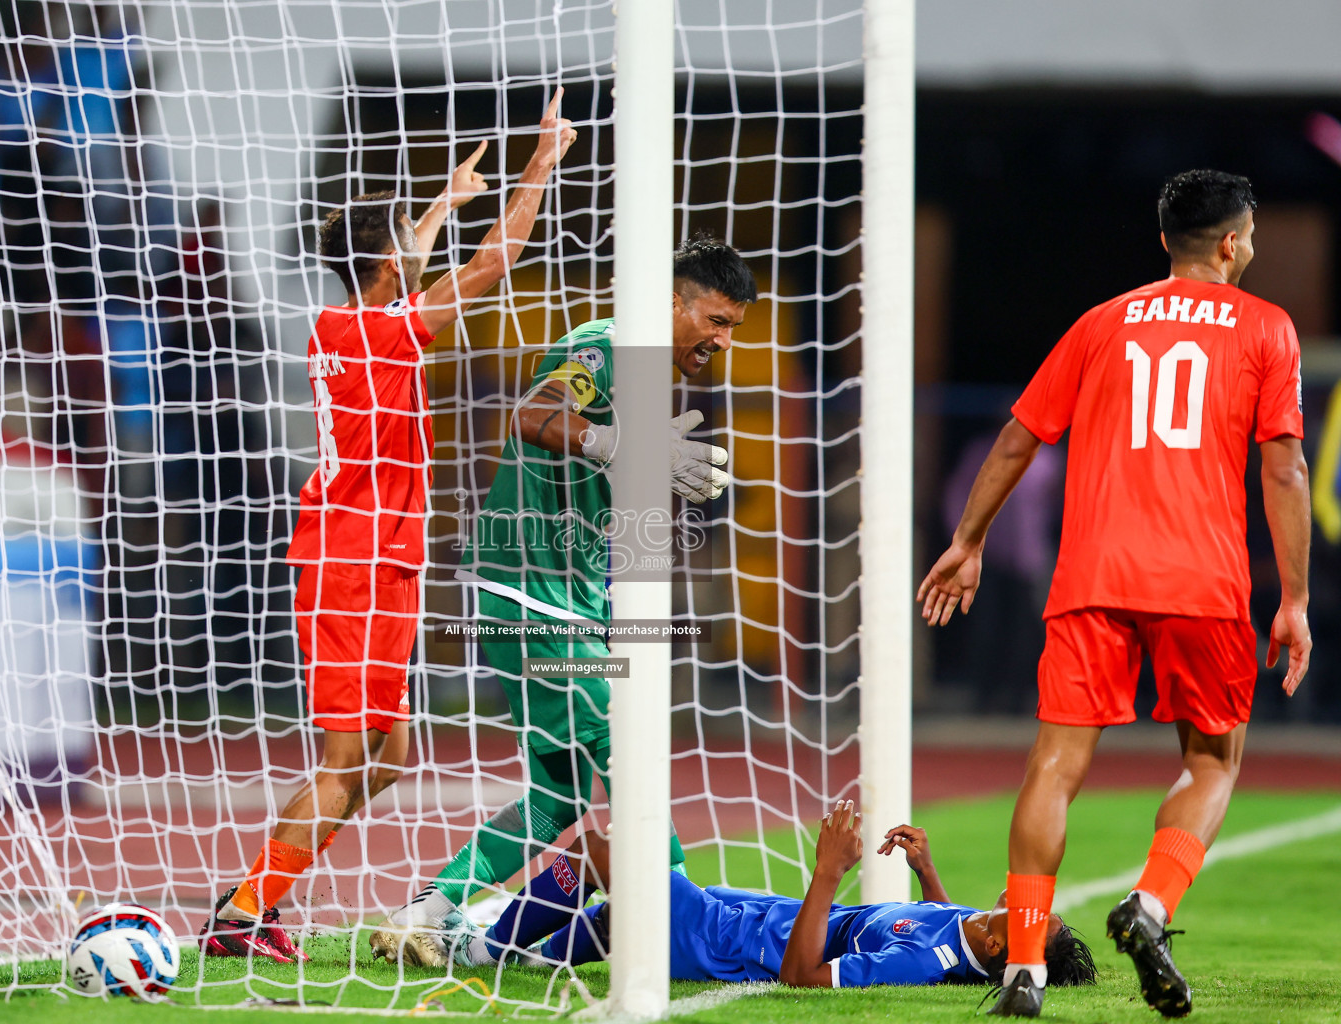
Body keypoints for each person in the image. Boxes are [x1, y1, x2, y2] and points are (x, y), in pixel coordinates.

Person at [918, 170, 1311, 1017]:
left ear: (1165, 241)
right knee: (1212, 760)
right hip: (1203, 579)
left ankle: (1024, 967)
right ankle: (1152, 904)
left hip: (1092, 576)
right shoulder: (1267, 329)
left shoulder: (1101, 323)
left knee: (1055, 765)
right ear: (1235, 242)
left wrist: (967, 540)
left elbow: (1018, 439)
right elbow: (1285, 467)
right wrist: (1295, 599)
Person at [198, 92, 577, 962]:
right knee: (345, 761)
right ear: (386, 261)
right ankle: (247, 913)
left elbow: (416, 269)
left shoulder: (353, 324)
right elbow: (494, 261)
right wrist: (539, 164)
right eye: (410, 236)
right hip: (351, 564)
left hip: (382, 563)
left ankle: (257, 895)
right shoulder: (383, 334)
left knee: (386, 759)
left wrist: (439, 203)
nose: (421, 244)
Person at [369, 235, 758, 966]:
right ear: (674, 300)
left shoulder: (646, 375)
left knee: (560, 791)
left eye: (734, 327)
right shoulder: (608, 346)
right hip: (531, 593)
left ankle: (428, 913)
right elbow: (530, 415)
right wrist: (622, 448)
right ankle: (682, 920)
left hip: (557, 595)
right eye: (716, 319)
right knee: (628, 756)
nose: (723, 339)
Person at [458, 800, 1097, 991]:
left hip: (730, 943)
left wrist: (829, 872)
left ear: (996, 945)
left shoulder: (923, 964)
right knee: (624, 910)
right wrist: (927, 872)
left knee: (601, 852)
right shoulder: (965, 930)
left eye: (1031, 923)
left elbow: (801, 975)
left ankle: (483, 951)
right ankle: (537, 958)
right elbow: (940, 922)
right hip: (751, 912)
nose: (1030, 906)